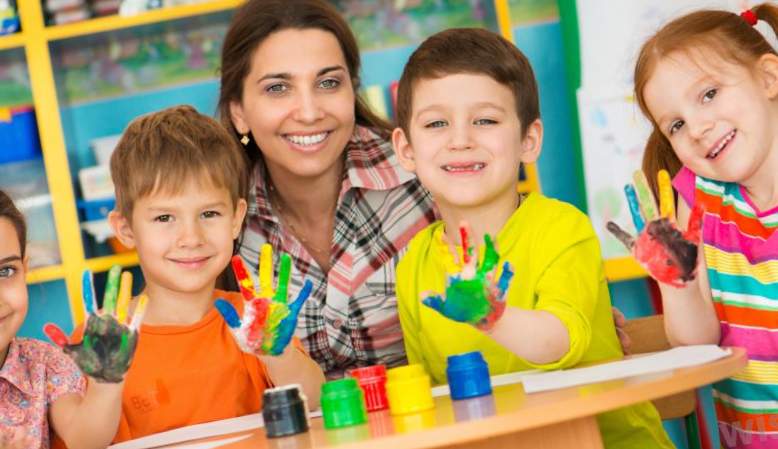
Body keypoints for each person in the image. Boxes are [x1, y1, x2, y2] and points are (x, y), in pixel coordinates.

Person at [391, 28, 674, 449]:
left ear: (529, 140)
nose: (461, 139)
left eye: (485, 120)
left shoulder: (562, 229)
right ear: (406, 149)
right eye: (436, 123)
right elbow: (435, 400)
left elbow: (559, 342)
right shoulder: (413, 264)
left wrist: (492, 316)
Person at [218, 0, 436, 378]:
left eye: (328, 83)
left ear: (352, 91)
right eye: (278, 88)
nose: (308, 111)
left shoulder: (423, 176)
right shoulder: (220, 219)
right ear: (239, 111)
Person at [102, 105, 324, 442]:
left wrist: (278, 354)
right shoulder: (106, 339)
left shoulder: (255, 323)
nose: (191, 238)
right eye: (164, 218)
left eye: (209, 213)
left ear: (236, 219)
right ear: (126, 228)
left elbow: (315, 401)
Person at [627, 4, 778, 447]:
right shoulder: (699, 204)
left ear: (769, 78)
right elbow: (696, 343)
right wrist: (679, 284)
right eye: (675, 124)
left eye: (708, 94)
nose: (696, 127)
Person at [0, 190, 123, 449]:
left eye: (5, 271)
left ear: (25, 268)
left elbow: (84, 439)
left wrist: (105, 382)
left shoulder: (45, 365)